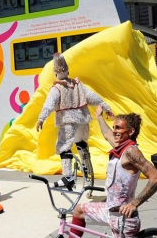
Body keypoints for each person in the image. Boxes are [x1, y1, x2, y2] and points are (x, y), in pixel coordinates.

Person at [66, 105, 157, 238]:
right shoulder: (121, 147)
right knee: (79, 210)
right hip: (109, 211)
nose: (114, 131)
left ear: (131, 132)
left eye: (118, 128)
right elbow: (106, 134)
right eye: (114, 127)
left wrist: (134, 204)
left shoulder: (131, 152)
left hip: (124, 220)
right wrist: (99, 116)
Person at [36, 53, 113, 189]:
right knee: (81, 143)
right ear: (68, 71)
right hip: (82, 120)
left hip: (68, 121)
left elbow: (49, 105)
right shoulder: (78, 85)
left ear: (55, 73)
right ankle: (87, 172)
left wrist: (41, 118)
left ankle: (68, 177)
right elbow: (93, 97)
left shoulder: (57, 88)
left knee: (64, 146)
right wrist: (106, 107)